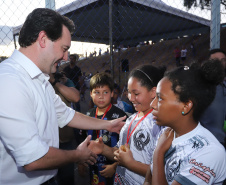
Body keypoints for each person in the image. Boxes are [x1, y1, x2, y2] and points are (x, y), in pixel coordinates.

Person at [0, 8, 125, 185]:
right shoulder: (9, 81)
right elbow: (32, 159)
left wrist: (108, 124)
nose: (66, 57)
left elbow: (67, 115)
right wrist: (77, 154)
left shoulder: (39, 80)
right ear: (43, 40)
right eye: (64, 49)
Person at [144, 60, 226, 185]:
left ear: (186, 106)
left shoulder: (210, 151)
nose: (152, 104)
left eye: (160, 98)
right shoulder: (166, 134)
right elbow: (147, 181)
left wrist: (159, 154)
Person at [89, 64, 166, 185]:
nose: (131, 98)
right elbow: (119, 152)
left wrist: (130, 163)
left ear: (153, 92)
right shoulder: (130, 120)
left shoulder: (160, 125)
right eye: (129, 92)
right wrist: (103, 149)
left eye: (136, 93)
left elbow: (163, 173)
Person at [87, 72, 128, 185]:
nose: (101, 96)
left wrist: (115, 166)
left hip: (114, 169)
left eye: (105, 92)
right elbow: (83, 140)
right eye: (97, 92)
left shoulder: (120, 117)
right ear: (90, 93)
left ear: (112, 94)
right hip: (93, 168)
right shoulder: (87, 115)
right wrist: (81, 163)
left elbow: (128, 147)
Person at [49, 72, 79, 185]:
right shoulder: (39, 81)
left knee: (67, 178)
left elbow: (75, 97)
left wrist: (55, 82)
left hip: (64, 141)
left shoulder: (64, 81)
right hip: (47, 143)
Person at [200, 49, 226, 148]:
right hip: (205, 141)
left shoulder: (223, 86)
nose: (220, 63)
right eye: (216, 60)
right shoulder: (201, 86)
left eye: (223, 60)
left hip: (220, 140)